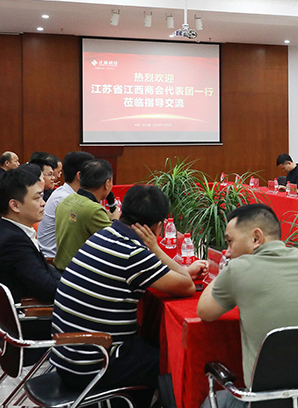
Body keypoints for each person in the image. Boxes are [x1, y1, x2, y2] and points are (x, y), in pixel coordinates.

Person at [50, 185, 208, 408]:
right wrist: (156, 248)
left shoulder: (104, 235)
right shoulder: (133, 252)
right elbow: (187, 287)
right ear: (158, 226)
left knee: (150, 343)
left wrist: (179, 269)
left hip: (67, 355)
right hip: (93, 365)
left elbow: (182, 279)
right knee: (171, 361)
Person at [197, 204, 298, 408]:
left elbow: (204, 312)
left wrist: (224, 270)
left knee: (214, 401)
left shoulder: (238, 269)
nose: (227, 252)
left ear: (256, 238)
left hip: (268, 402)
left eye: (230, 241)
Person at [0, 164, 61, 302]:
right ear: (15, 205)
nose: (43, 203)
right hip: (34, 311)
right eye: (37, 198)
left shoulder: (10, 230)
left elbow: (46, 273)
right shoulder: (12, 242)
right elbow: (48, 290)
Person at [54, 159, 121, 270]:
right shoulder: (94, 210)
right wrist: (115, 221)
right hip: (81, 271)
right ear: (107, 183)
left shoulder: (66, 200)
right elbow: (114, 243)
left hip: (62, 268)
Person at [37, 151, 94, 257]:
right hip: (53, 260)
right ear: (79, 176)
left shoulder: (64, 193)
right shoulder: (65, 199)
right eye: (93, 173)